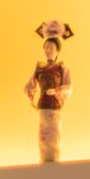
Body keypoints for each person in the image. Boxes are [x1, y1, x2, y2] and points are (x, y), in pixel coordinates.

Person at [24, 20, 74, 164]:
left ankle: (53, 160)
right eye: (46, 48)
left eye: (51, 48)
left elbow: (68, 87)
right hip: (43, 104)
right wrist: (30, 94)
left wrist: (56, 91)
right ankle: (43, 160)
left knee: (54, 134)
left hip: (54, 105)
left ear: (57, 51)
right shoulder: (39, 68)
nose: (48, 50)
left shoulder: (62, 69)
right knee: (43, 135)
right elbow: (30, 85)